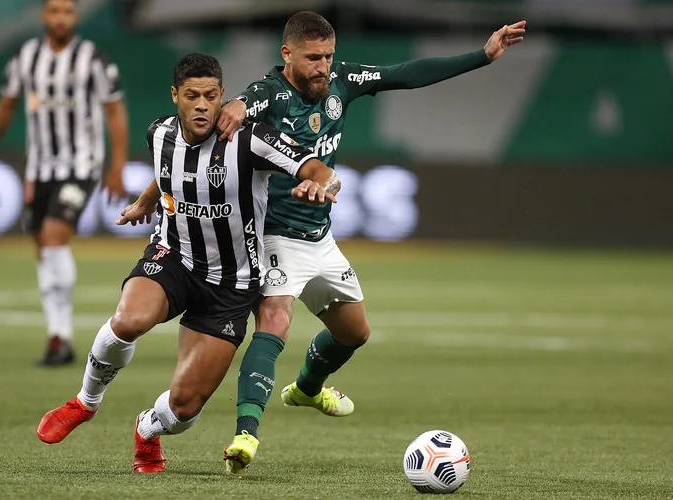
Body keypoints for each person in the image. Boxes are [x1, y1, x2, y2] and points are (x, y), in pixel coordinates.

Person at [216, 11, 526, 470]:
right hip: (273, 236)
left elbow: (405, 75)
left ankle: (306, 389)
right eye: (312, 58)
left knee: (354, 332)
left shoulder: (340, 79)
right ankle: (246, 435)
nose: (323, 66)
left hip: (320, 238)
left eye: (328, 56)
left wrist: (482, 56)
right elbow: (244, 108)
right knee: (275, 321)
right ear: (287, 54)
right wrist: (237, 105)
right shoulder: (268, 93)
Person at [35, 53, 341, 474]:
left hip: (232, 285)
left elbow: (318, 168)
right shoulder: (158, 132)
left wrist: (321, 183)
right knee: (129, 319)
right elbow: (169, 171)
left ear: (222, 98)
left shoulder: (251, 140)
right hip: (174, 258)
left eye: (211, 96)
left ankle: (146, 429)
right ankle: (85, 403)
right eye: (192, 96)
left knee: (183, 409)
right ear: (175, 96)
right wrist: (146, 200)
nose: (202, 105)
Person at [0, 0, 129, 366]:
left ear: (75, 16)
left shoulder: (94, 58)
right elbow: (6, 106)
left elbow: (115, 111)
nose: (61, 18)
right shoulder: (25, 56)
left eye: (68, 11)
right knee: (43, 245)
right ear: (44, 15)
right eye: (55, 11)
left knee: (55, 234)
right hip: (39, 169)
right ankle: (55, 333)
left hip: (81, 165)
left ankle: (61, 337)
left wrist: (117, 165)